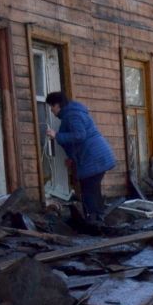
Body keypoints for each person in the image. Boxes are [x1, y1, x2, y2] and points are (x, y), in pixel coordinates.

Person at [45, 91, 116, 227]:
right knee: (93, 189)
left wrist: (57, 135)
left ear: (57, 105)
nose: (51, 110)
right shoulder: (72, 113)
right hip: (96, 155)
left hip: (94, 157)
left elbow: (79, 135)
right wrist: (72, 157)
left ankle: (93, 222)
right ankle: (97, 219)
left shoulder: (71, 115)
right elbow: (77, 140)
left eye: (51, 107)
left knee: (88, 190)